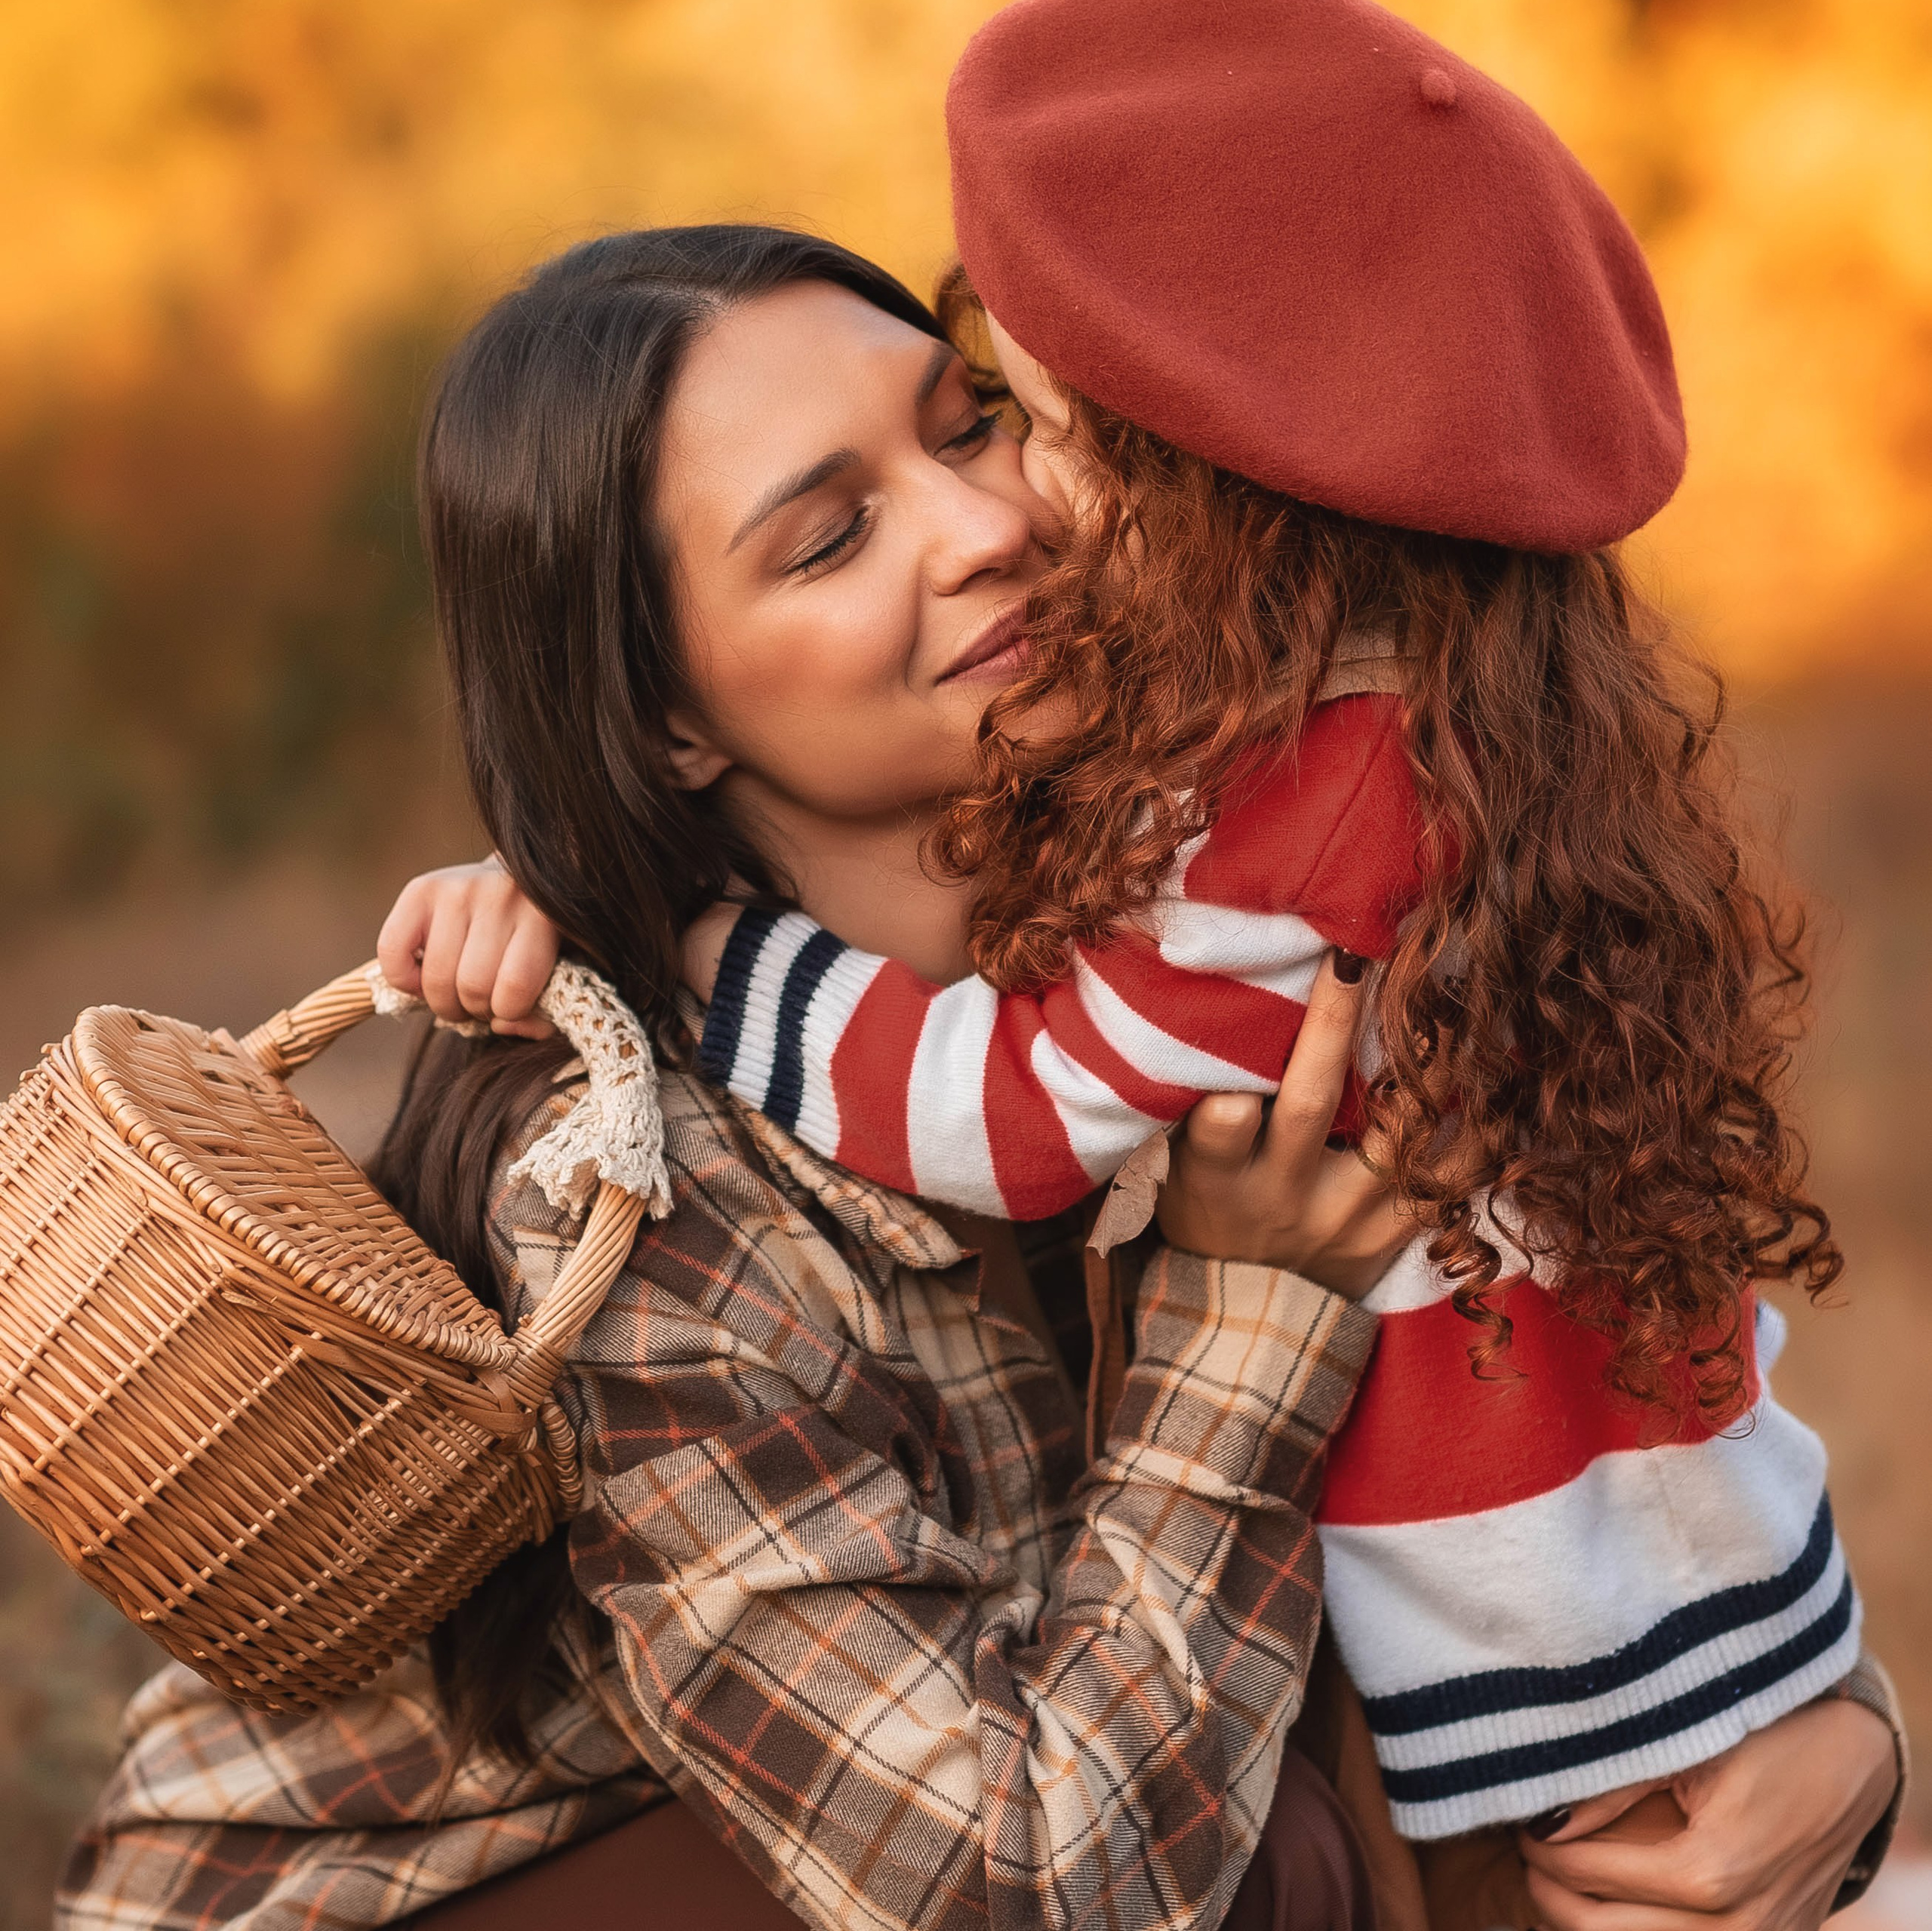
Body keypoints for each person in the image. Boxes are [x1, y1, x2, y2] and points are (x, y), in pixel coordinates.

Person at [385, 2, 1906, 1920]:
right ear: (665, 718)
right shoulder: (631, 1195)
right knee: (1285, 1858)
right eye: (828, 538)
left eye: (977, 421)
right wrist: (1249, 1288)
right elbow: (1022, 1876)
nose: (987, 528)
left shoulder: (1251, 872)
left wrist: (1844, 1747)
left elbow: (1607, 1421)